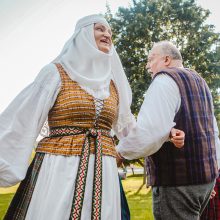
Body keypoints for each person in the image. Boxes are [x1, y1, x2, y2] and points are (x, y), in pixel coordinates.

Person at [0, 15, 183, 220]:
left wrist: (165, 133)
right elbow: (23, 118)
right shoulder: (55, 73)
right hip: (61, 166)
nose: (107, 34)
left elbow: (129, 130)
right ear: (84, 35)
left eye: (110, 32)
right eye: (100, 29)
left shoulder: (112, 85)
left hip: (103, 170)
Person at [116, 41, 220, 220]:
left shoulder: (164, 80)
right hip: (206, 181)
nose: (148, 66)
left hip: (178, 183)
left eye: (151, 59)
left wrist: (120, 153)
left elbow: (149, 132)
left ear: (166, 59)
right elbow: (213, 132)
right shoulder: (200, 81)